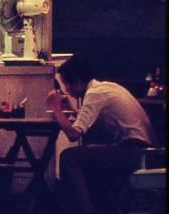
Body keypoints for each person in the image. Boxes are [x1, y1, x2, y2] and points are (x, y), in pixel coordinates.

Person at [45, 54, 158, 214]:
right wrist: (71, 107)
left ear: (76, 80)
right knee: (89, 153)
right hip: (144, 151)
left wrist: (55, 108)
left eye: (66, 85)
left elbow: (73, 134)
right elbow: (86, 119)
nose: (67, 91)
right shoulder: (105, 88)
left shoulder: (94, 94)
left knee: (69, 157)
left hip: (135, 152)